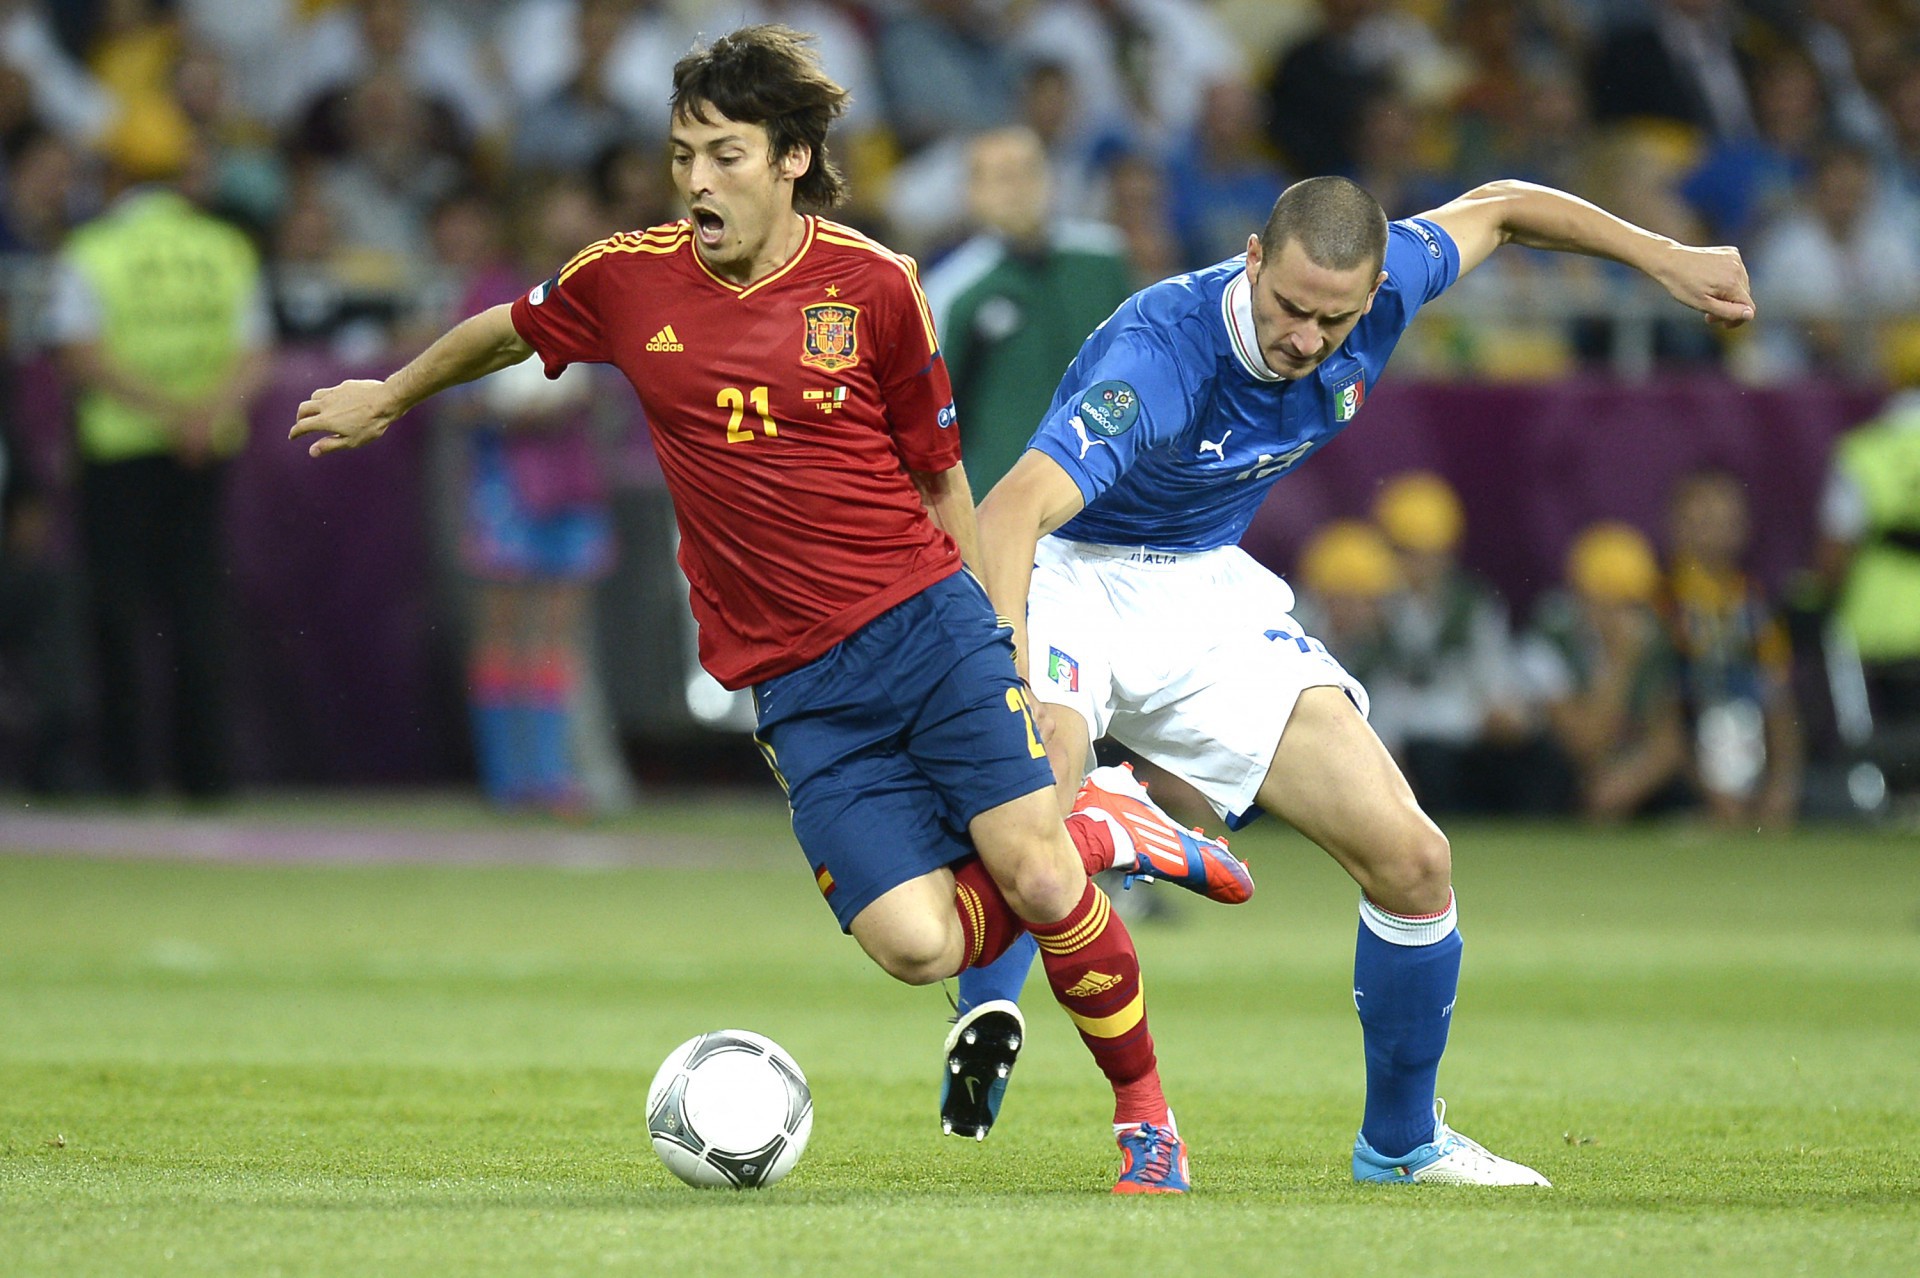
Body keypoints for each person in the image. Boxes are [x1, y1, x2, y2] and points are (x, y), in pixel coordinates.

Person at [288, 25, 1252, 1195]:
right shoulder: (625, 278)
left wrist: (1003, 639)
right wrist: (391, 394)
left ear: (792, 158)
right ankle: (1101, 827)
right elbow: (509, 328)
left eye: (724, 155)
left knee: (1040, 883)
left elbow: (942, 477)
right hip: (797, 685)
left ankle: (1146, 1121)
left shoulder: (876, 287)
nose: (695, 180)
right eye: (682, 154)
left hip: (927, 626)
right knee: (918, 946)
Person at [969, 172, 1753, 1185]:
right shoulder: (1162, 354)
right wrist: (1004, 668)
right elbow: (1009, 512)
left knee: (1415, 862)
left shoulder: (1393, 284)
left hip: (1202, 587)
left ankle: (1401, 1143)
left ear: (1377, 288)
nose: (1305, 339)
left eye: (1332, 319)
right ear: (1253, 257)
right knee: (1043, 783)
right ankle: (989, 1002)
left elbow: (1504, 207)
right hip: (1074, 568)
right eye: (1288, 306)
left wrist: (1665, 257)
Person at [53, 143, 270, 799]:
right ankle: (205, 775)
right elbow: (256, 355)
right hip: (203, 453)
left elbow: (80, 355)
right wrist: (202, 416)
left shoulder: (92, 250)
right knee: (198, 610)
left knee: (117, 613)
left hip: (119, 452)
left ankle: (125, 774)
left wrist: (164, 413)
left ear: (117, 178)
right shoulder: (226, 249)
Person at [1521, 522, 1691, 822]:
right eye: (1615, 602)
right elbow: (1585, 742)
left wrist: (1629, 781)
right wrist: (1620, 662)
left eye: (1633, 603)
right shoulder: (1550, 638)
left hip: (1625, 771)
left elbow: (1668, 738)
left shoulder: (1654, 638)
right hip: (1562, 781)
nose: (1625, 616)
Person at [1662, 469, 1801, 828]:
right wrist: (1707, 792)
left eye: (1727, 522)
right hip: (1679, 773)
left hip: (1746, 761)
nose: (1715, 535)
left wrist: (1781, 786)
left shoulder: (1754, 607)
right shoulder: (1661, 602)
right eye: (1703, 522)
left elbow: (1779, 699)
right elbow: (1660, 711)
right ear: (1676, 526)